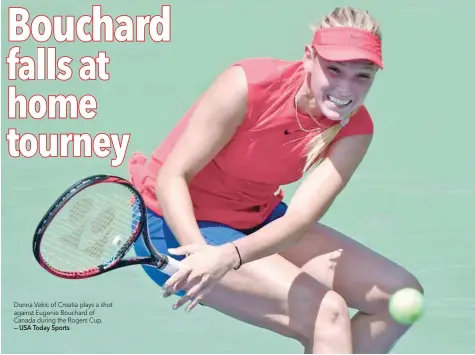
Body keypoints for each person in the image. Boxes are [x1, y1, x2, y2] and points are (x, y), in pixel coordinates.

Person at [128, 6, 424, 354]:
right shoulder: (249, 85)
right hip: (172, 227)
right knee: (326, 314)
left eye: (363, 75)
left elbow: (298, 219)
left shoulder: (355, 129)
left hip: (254, 220)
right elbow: (173, 176)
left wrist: (231, 255)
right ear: (309, 58)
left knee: (398, 295)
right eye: (334, 69)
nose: (347, 88)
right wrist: (202, 254)